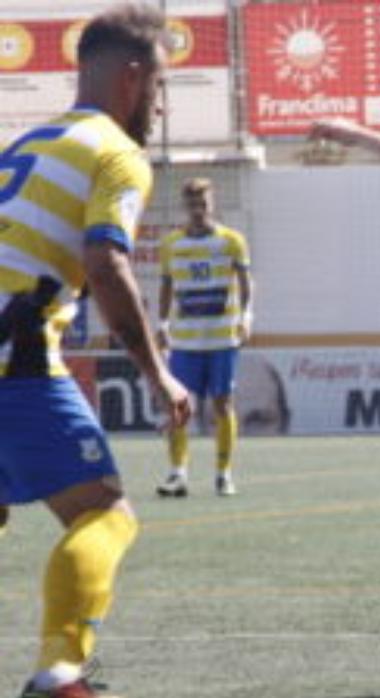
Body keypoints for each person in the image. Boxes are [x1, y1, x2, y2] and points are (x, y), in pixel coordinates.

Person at [0, 7, 192, 698]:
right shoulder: (115, 151)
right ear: (133, 78)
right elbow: (106, 263)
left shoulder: (30, 141)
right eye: (163, 87)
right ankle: (61, 671)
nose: (163, 107)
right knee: (103, 514)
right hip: (13, 361)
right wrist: (156, 372)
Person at [155, 177, 254, 497]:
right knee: (179, 407)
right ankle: (177, 474)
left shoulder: (231, 240)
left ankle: (223, 474)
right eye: (192, 205)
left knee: (222, 405)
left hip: (222, 338)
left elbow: (245, 280)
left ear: (213, 206)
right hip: (185, 341)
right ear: (185, 207)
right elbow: (167, 285)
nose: (198, 211)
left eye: (203, 205)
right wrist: (162, 323)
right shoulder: (171, 244)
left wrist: (246, 316)